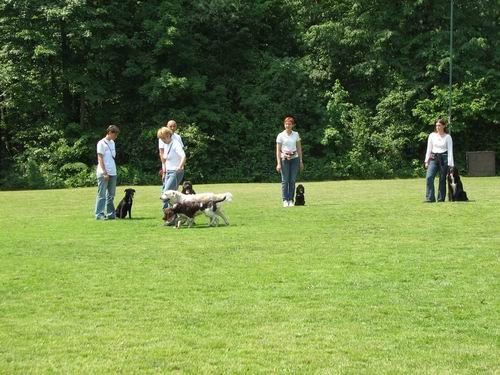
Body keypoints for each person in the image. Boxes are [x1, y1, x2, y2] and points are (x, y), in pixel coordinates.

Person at [276, 116, 304, 207]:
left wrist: (300, 161)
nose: (287, 125)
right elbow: (278, 150)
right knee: (285, 181)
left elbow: (299, 148)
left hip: (294, 159)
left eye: (289, 124)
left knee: (292, 180)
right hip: (284, 159)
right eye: (286, 124)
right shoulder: (280, 135)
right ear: (284, 125)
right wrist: (279, 163)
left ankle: (291, 200)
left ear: (293, 125)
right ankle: (285, 200)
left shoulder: (296, 134)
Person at [424, 118, 454, 202]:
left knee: (442, 179)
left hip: (444, 158)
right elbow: (429, 149)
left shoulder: (448, 137)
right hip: (433, 158)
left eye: (439, 125)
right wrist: (426, 161)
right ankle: (430, 198)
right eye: (436, 125)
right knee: (429, 177)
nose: (438, 127)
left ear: (444, 126)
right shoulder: (432, 135)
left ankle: (441, 198)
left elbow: (450, 151)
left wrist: (451, 165)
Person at [95, 125, 120, 220]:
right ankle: (99, 214)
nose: (116, 137)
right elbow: (100, 158)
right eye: (115, 134)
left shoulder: (112, 143)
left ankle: (111, 214)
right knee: (102, 194)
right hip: (103, 172)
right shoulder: (101, 143)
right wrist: (105, 172)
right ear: (109, 132)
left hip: (113, 172)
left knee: (111, 194)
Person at [158, 126, 186, 210]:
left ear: (167, 136)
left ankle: (170, 215)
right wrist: (164, 172)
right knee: (168, 193)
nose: (162, 140)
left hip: (175, 172)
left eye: (163, 138)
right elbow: (165, 160)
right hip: (168, 171)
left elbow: (183, 156)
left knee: (167, 193)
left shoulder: (175, 144)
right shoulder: (166, 144)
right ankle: (172, 214)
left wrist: (180, 166)